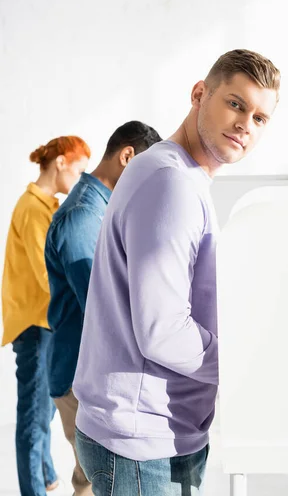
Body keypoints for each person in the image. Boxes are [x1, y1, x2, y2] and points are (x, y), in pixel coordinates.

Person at [73, 49, 281, 495]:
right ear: (200, 94)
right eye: (235, 103)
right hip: (142, 445)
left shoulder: (179, 176)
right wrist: (247, 363)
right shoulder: (171, 183)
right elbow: (162, 330)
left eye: (260, 118)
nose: (246, 123)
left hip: (154, 433)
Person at [44, 121, 162, 496]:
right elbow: (103, 305)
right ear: (127, 157)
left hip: (92, 375)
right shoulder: (82, 216)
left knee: (91, 482)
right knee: (103, 482)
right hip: (82, 379)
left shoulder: (105, 211)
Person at [1, 136, 90, 496]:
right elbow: (47, 273)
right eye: (81, 169)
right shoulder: (35, 209)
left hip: (42, 324)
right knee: (35, 420)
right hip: (37, 326)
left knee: (45, 412)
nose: (82, 178)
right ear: (61, 163)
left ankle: (48, 476)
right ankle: (34, 490)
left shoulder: (44, 206)